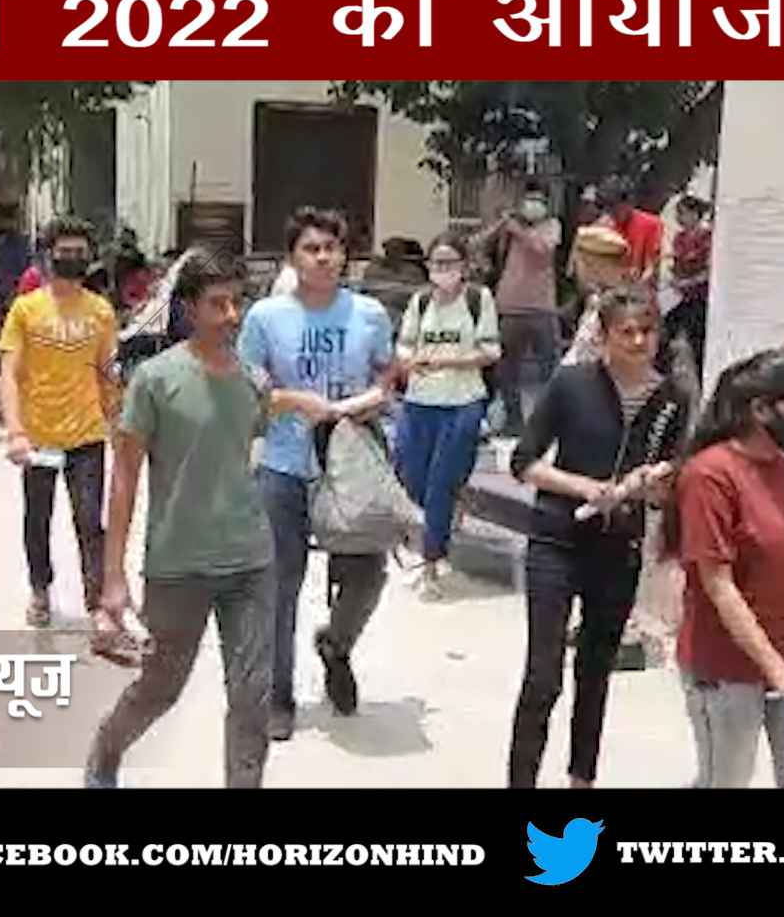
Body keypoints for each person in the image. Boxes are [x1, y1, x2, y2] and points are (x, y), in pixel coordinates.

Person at [87, 250, 274, 788]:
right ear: (189, 309)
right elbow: (124, 479)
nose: (231, 315)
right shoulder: (154, 379)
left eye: (236, 302)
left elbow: (244, 451)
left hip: (250, 562)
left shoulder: (255, 380)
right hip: (179, 565)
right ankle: (106, 749)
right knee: (161, 687)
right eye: (217, 304)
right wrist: (113, 577)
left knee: (252, 697)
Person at [507, 286, 691, 788]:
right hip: (556, 539)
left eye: (647, 331)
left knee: (595, 671)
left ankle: (581, 778)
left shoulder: (672, 398)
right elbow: (524, 462)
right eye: (626, 332)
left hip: (619, 547)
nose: (638, 342)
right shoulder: (572, 384)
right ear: (605, 336)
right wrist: (585, 487)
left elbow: (670, 481)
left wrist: (655, 486)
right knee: (543, 675)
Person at [239, 207, 397, 740]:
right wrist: (294, 401)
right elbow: (250, 389)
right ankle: (277, 696)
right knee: (278, 584)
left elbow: (387, 380)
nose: (323, 257)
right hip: (285, 466)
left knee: (367, 573)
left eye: (332, 248)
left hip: (351, 465)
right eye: (311, 248)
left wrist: (362, 404)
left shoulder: (369, 314)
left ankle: (337, 644)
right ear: (292, 258)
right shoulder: (265, 318)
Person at [670, 349, 784, 788]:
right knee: (725, 780)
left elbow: (781, 542)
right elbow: (718, 585)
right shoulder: (710, 476)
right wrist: (773, 668)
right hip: (727, 669)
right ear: (761, 409)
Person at [0, 216, 122, 651]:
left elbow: (107, 372)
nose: (72, 259)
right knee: (38, 518)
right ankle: (40, 588)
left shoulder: (101, 311)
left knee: (90, 522)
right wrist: (15, 431)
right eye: (64, 252)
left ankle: (97, 605)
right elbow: (9, 374)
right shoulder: (26, 310)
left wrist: (118, 420)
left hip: (87, 435)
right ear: (48, 257)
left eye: (80, 253)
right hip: (38, 438)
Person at [395, 231, 501, 599]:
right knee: (412, 475)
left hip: (462, 401)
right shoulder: (420, 301)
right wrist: (411, 361)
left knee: (440, 481)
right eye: (436, 263)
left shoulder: (478, 300)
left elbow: (491, 351)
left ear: (463, 266)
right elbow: (404, 345)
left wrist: (450, 361)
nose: (441, 270)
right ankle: (443, 520)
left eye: (449, 263)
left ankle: (431, 560)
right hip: (419, 400)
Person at [478, 191, 563, 437]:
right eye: (528, 201)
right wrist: (500, 224)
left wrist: (518, 231)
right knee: (506, 370)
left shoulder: (551, 226)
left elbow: (542, 248)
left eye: (538, 202)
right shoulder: (510, 228)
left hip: (541, 308)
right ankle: (513, 420)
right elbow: (479, 244)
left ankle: (548, 423)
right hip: (510, 307)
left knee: (550, 368)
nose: (532, 206)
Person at [560, 225, 635, 367]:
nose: (575, 272)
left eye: (579, 263)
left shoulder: (616, 308)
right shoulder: (593, 302)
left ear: (593, 266)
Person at [661, 196, 712, 381]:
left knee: (695, 340)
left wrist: (689, 282)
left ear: (695, 214)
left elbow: (709, 271)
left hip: (699, 298)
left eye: (682, 213)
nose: (678, 218)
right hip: (682, 297)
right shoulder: (680, 238)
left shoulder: (707, 237)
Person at [606, 187, 664, 287]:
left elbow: (652, 264)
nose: (616, 213)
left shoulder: (651, 224)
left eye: (619, 208)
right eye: (611, 209)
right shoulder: (605, 227)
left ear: (629, 204)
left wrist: (640, 283)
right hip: (614, 283)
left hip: (642, 285)